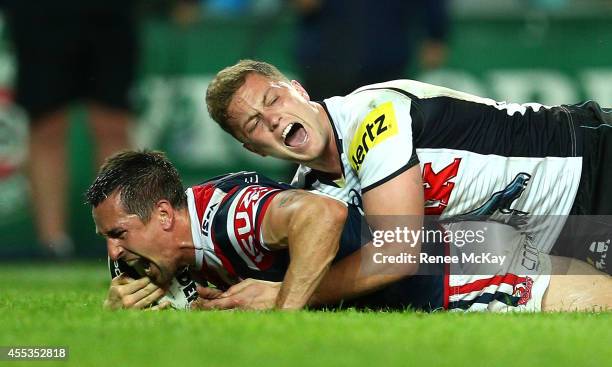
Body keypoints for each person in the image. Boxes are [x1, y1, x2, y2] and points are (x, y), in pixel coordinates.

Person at [204, 59, 612, 297]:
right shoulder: (314, 198)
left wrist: (293, 293)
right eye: (255, 123)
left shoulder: (371, 113)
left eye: (273, 99)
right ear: (255, 150)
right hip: (558, 233)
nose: (273, 119)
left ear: (299, 90)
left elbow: (400, 251)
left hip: (590, 163)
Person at [86, 150, 611, 312]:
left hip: (441, 270)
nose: (113, 250)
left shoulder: (233, 217)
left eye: (118, 233)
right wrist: (123, 310)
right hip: (456, 239)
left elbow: (322, 215)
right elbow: (182, 305)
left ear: (162, 215)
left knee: (581, 304)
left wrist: (285, 308)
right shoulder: (164, 249)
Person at [3, 0, 138, 257]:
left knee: (112, 123)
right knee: (45, 124)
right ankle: (52, 246)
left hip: (110, 11)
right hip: (40, 12)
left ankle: (124, 240)